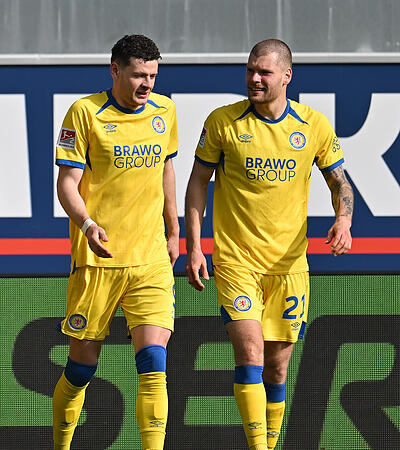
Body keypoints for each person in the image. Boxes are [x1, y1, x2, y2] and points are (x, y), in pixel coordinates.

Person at [184, 39, 353, 450]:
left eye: (264, 72)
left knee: (277, 369)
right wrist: (193, 245)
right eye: (250, 70)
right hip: (237, 262)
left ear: (286, 76)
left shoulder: (312, 125)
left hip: (290, 267)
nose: (254, 78)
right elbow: (196, 184)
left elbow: (339, 181)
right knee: (251, 353)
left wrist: (344, 218)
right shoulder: (223, 122)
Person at [52, 34, 179, 450]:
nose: (147, 84)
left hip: (150, 259)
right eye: (139, 75)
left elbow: (166, 170)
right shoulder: (84, 113)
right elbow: (66, 183)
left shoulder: (165, 110)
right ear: (115, 70)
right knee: (81, 368)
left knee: (153, 364)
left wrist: (174, 229)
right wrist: (88, 225)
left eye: (153, 75)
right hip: (98, 260)